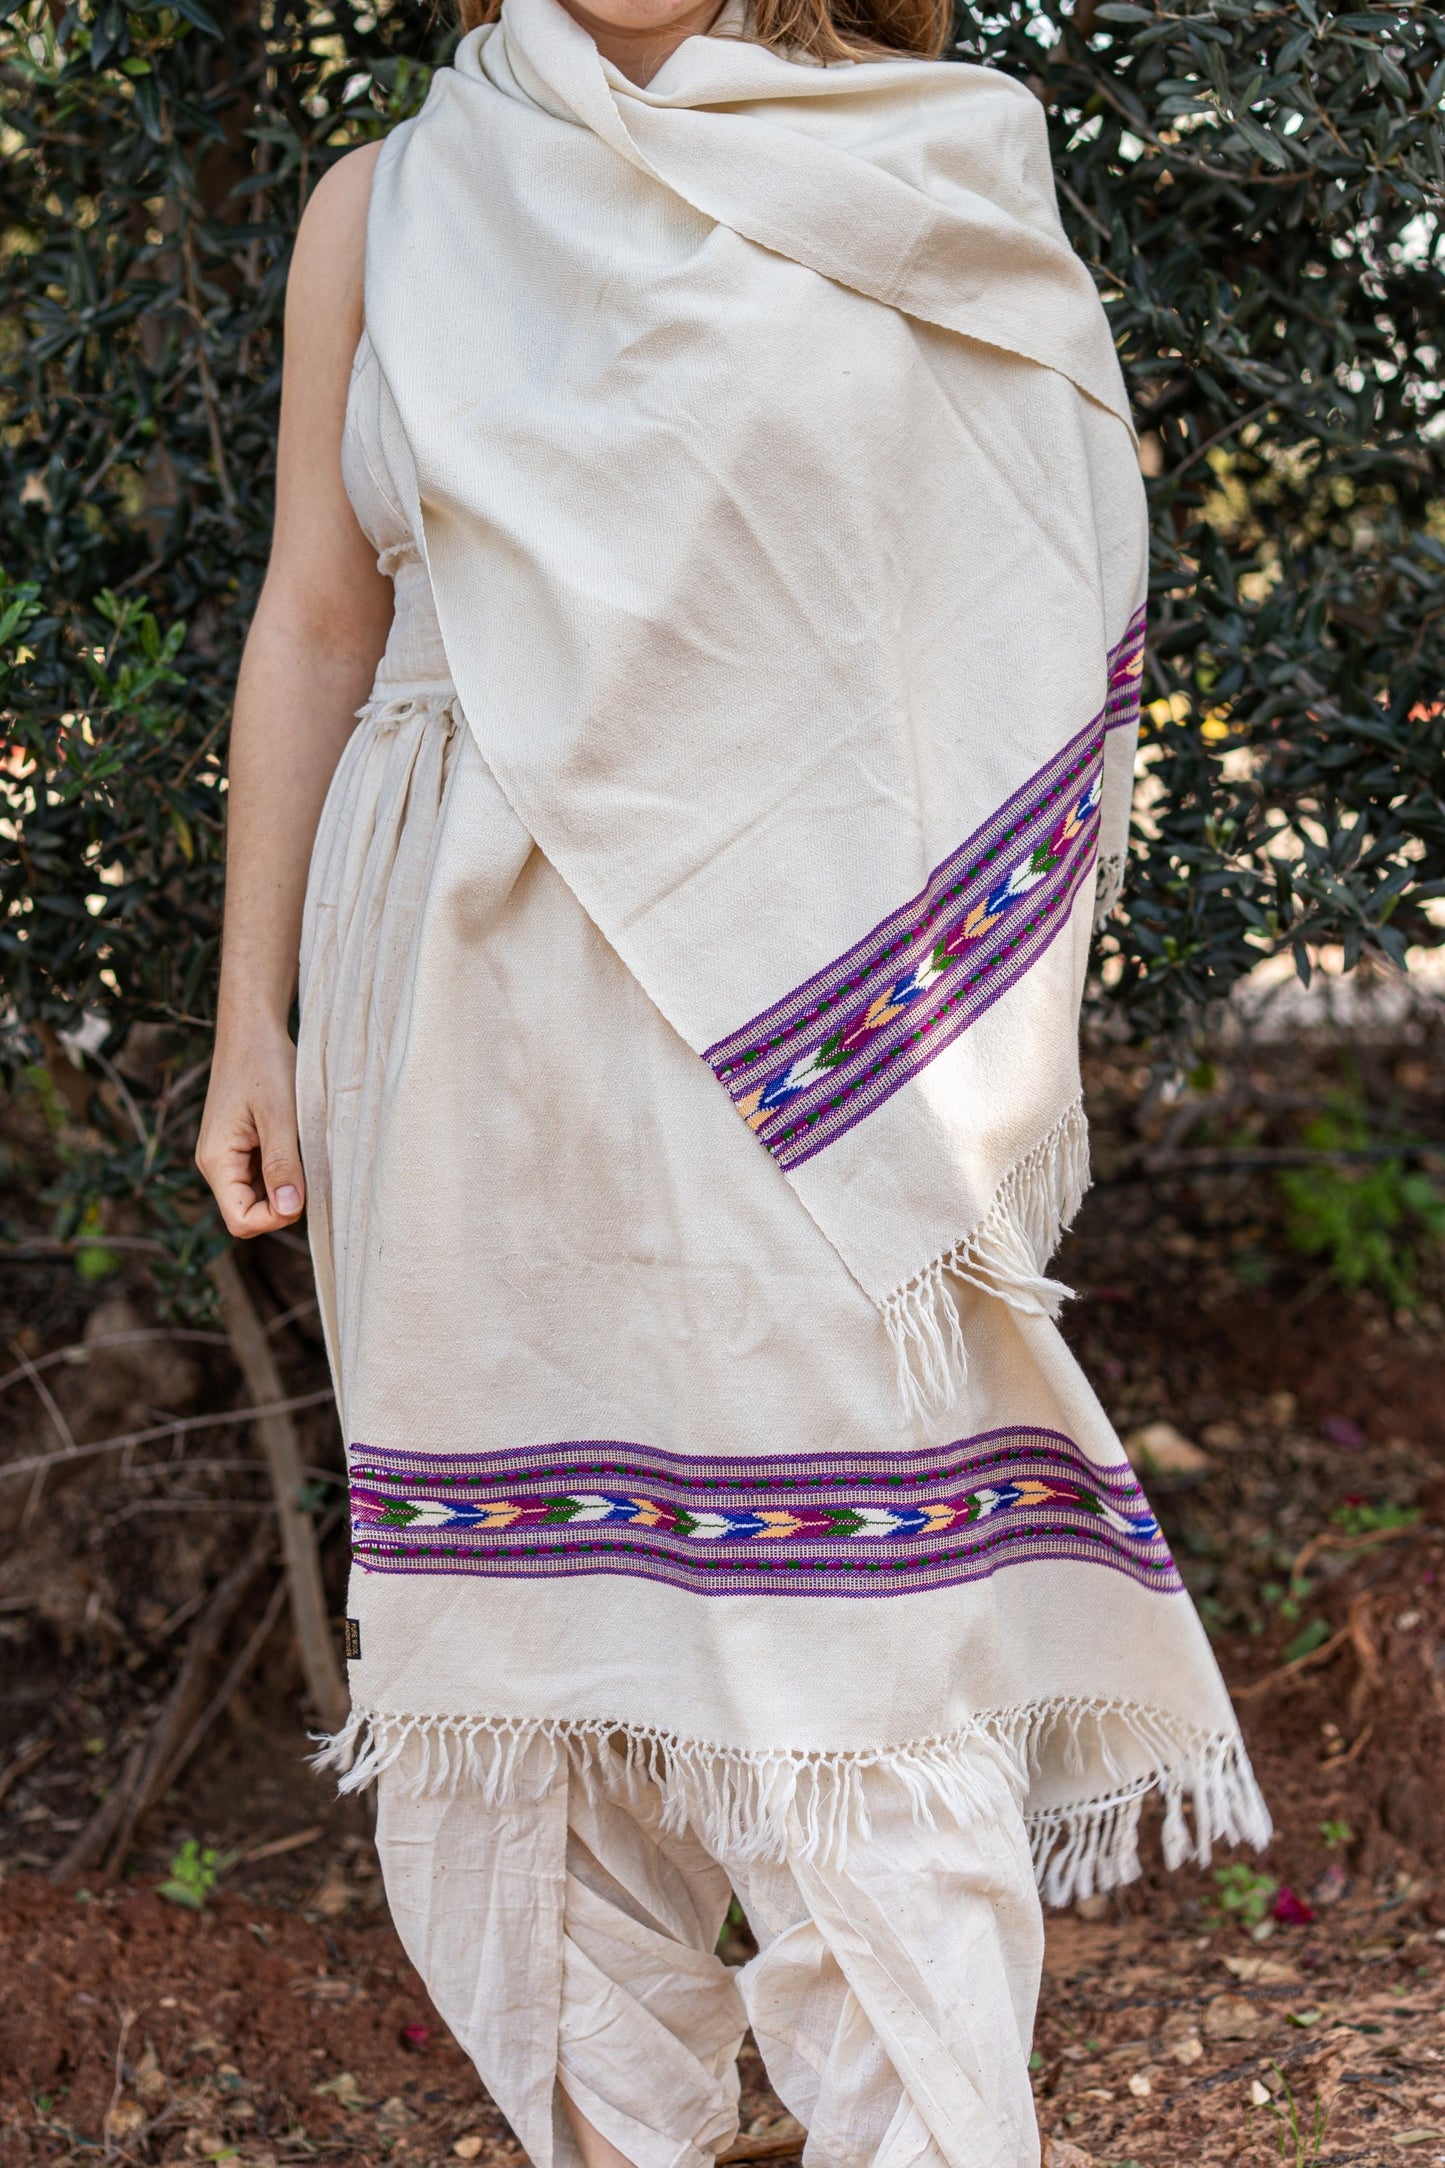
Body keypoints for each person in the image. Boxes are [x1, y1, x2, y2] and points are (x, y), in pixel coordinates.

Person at [197, 0, 1269, 2160]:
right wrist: (251, 1014)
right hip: (451, 994)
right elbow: (317, 615)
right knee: (529, 1668)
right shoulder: (386, 203)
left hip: (800, 1021)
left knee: (849, 1649)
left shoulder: (920, 156)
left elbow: (1013, 578)